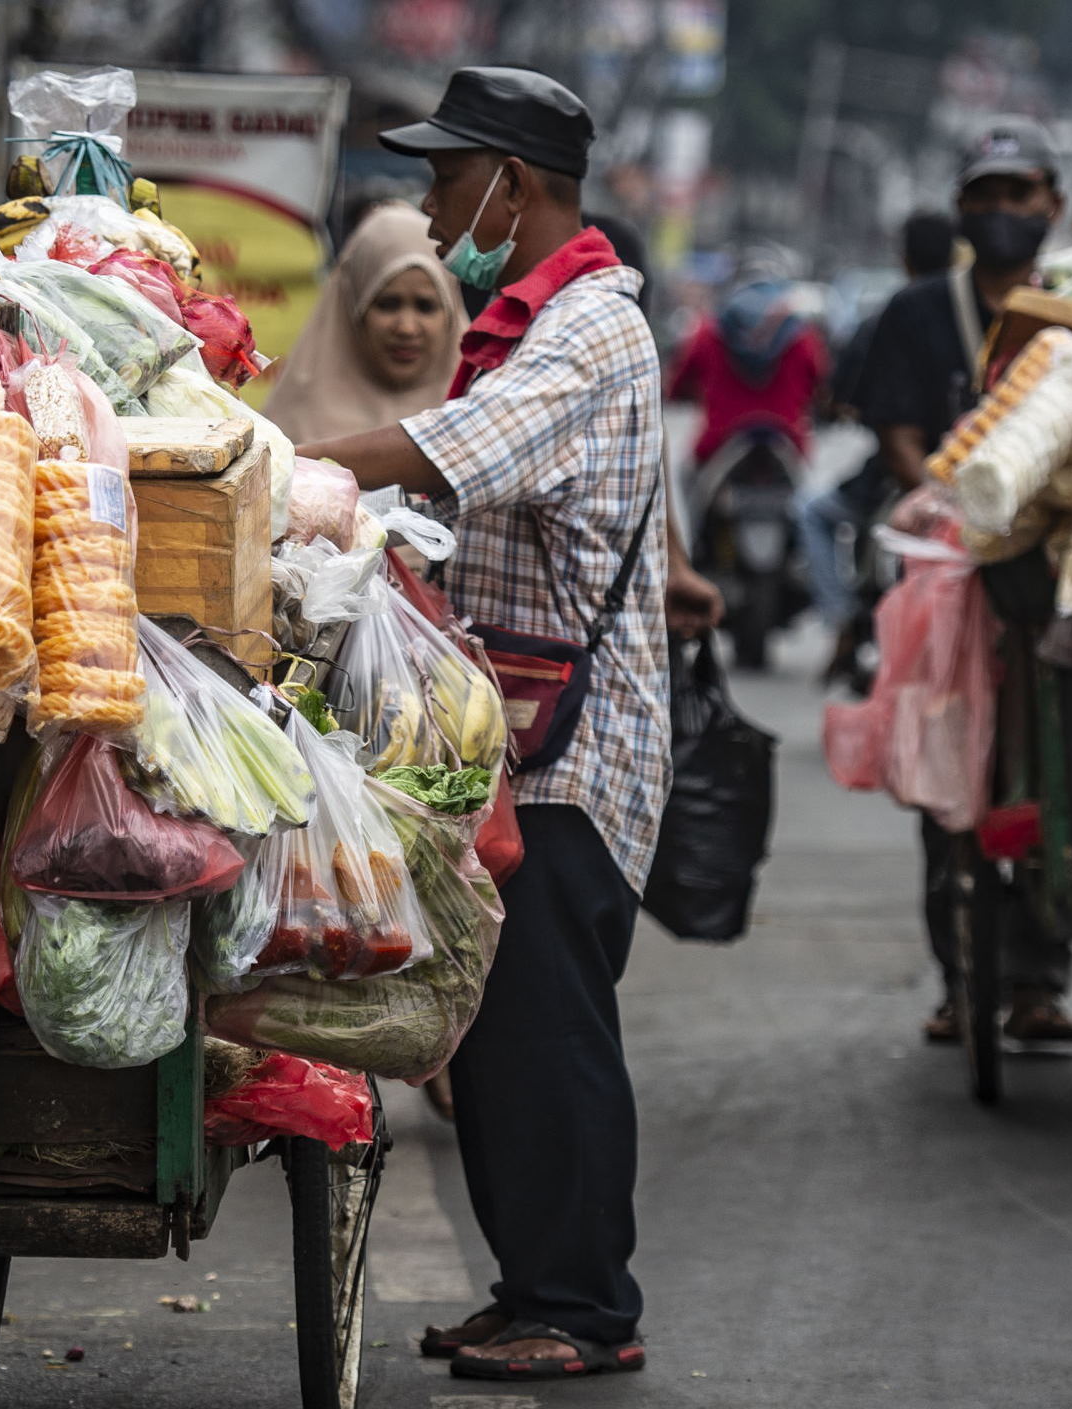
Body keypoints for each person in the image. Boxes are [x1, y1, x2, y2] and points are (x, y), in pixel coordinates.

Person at [298, 65, 717, 1382]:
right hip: (520, 746)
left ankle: (586, 1306)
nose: (432, 206)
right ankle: (532, 1282)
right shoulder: (533, 318)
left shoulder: (590, 328)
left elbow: (458, 449)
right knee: (499, 1036)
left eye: (444, 177)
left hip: (573, 757)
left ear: (512, 186)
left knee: (550, 1034)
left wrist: (281, 465)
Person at [853, 119, 1072, 1046]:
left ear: (1051, 206)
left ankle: (1041, 981)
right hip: (944, 575)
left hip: (1053, 579)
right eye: (984, 198)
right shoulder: (917, 312)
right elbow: (895, 426)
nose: (1001, 214)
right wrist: (942, 498)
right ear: (960, 209)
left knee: (1051, 767)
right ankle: (960, 978)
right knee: (948, 775)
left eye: (1017, 197)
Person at [800, 210, 956, 685]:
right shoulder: (972, 307)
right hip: (951, 476)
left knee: (812, 513)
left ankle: (843, 617)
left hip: (901, 474)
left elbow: (856, 401)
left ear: (904, 257)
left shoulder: (895, 313)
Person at [261, 202, 463, 445]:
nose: (407, 328)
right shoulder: (284, 436)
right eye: (388, 304)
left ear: (451, 312)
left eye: (425, 306)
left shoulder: (481, 416)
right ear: (352, 308)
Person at [665, 248, 830, 479]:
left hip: (718, 441)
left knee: (683, 475)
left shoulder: (708, 331)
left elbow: (679, 381)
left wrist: (678, 394)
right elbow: (821, 385)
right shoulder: (802, 336)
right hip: (786, 441)